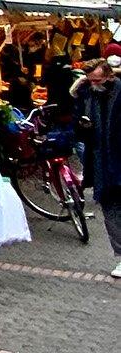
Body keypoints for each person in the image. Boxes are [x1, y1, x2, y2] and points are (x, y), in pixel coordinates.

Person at [74, 57, 121, 278]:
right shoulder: (88, 94)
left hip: (118, 158)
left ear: (109, 76)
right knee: (110, 211)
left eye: (98, 80)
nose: (95, 84)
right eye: (91, 80)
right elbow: (78, 124)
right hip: (101, 163)